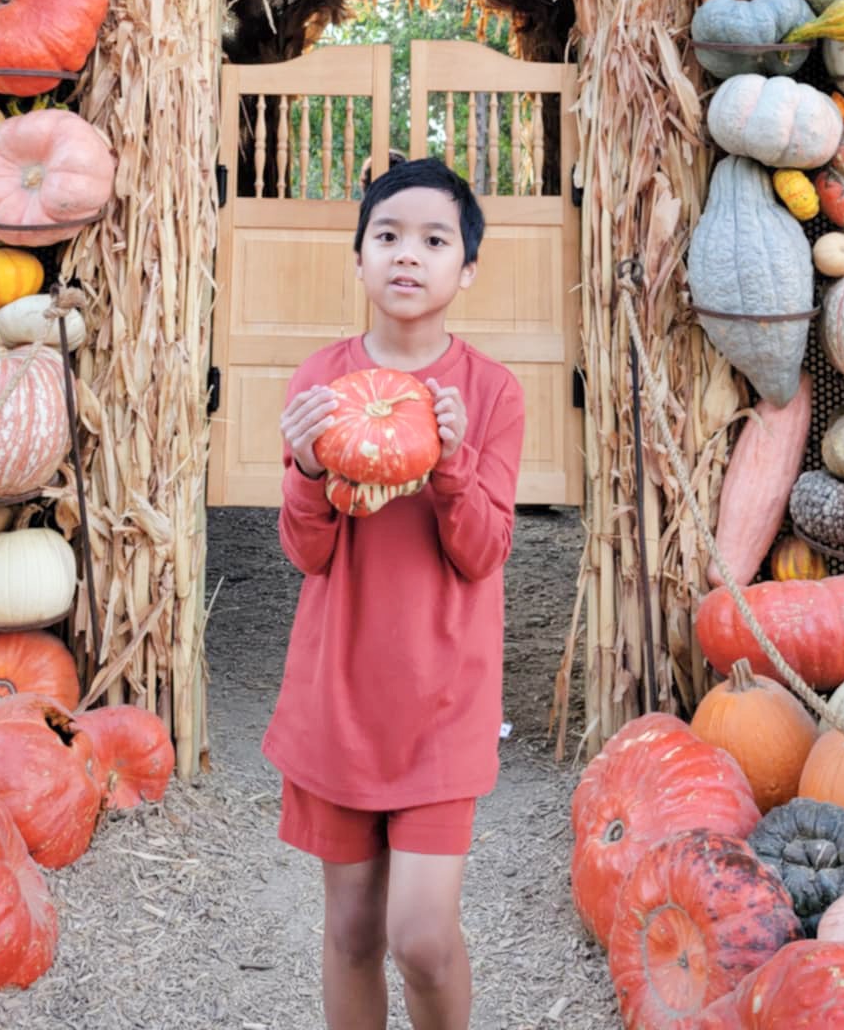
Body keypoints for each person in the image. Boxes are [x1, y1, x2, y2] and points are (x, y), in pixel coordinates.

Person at [263, 155, 526, 1030]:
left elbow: (483, 553)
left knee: (421, 937)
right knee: (350, 932)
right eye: (387, 236)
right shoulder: (320, 384)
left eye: (433, 239)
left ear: (467, 267)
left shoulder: (491, 395)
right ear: (360, 257)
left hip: (444, 699)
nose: (407, 255)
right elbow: (306, 553)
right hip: (337, 698)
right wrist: (304, 469)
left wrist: (451, 466)